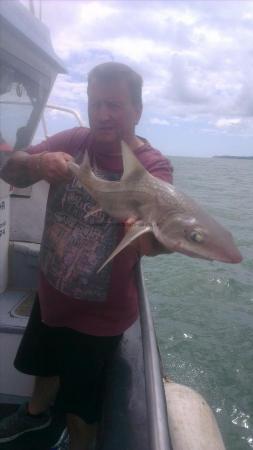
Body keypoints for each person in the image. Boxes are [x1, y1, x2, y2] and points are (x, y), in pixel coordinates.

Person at [0, 62, 173, 450]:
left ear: (137, 111)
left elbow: (160, 242)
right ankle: (34, 416)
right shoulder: (74, 140)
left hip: (100, 319)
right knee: (41, 372)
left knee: (82, 408)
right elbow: (10, 169)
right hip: (50, 296)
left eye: (114, 105)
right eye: (95, 103)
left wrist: (147, 234)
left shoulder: (152, 167)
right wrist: (36, 163)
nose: (102, 114)